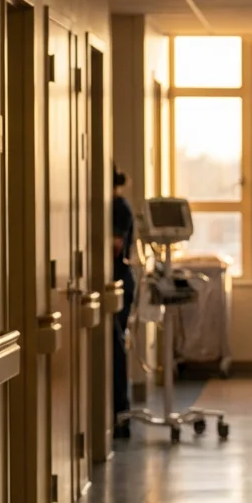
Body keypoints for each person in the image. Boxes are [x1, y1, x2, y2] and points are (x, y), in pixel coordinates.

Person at [111, 167, 137, 439]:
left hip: (118, 283)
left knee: (116, 347)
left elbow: (114, 246)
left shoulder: (120, 207)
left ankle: (121, 413)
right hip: (114, 282)